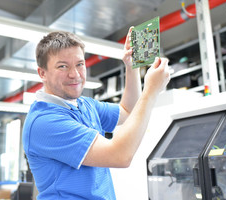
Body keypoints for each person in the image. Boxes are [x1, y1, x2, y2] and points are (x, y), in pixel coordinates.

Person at [22, 29, 170, 200]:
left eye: (80, 64)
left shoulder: (84, 104)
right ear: (42, 73)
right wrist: (150, 91)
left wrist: (132, 67)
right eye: (62, 66)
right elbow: (120, 156)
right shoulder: (44, 122)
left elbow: (128, 111)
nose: (75, 74)